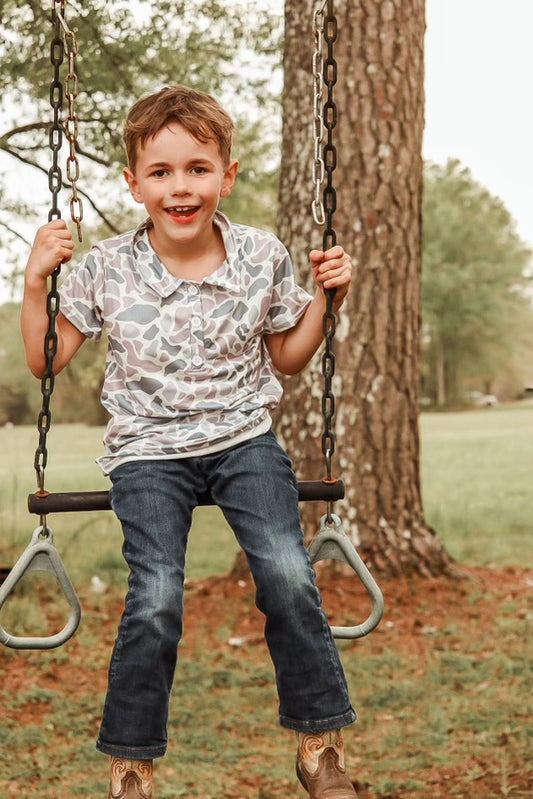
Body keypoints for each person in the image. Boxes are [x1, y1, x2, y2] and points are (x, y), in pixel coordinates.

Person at [21, 85, 357, 799]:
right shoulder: (106, 266)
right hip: (146, 449)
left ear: (225, 177)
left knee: (288, 575)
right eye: (162, 171)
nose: (181, 187)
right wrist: (33, 283)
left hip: (243, 439)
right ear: (134, 184)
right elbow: (46, 359)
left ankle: (319, 747)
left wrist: (327, 302)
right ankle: (132, 767)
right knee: (156, 596)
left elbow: (289, 357)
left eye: (198, 169)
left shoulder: (260, 255)